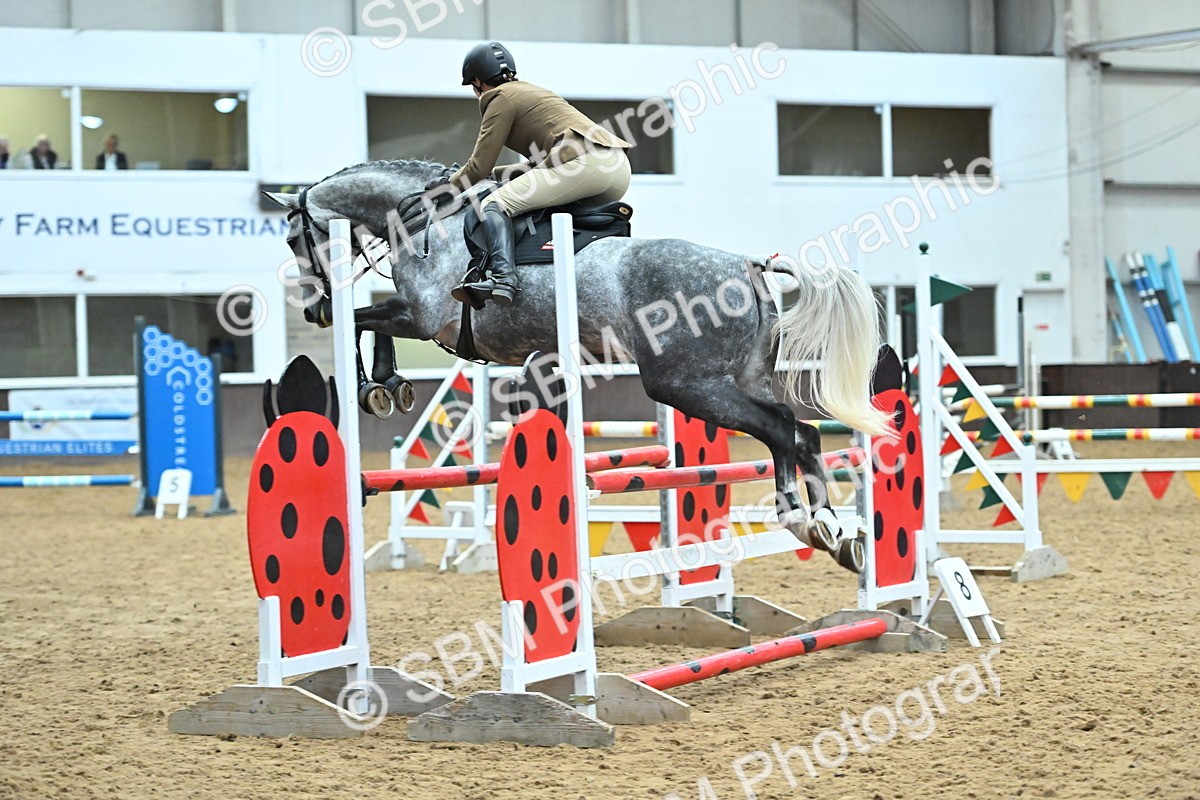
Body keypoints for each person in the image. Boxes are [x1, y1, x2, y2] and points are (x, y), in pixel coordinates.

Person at [428, 41, 632, 306]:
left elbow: (478, 166)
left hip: (584, 164)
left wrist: (447, 187)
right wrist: (494, 176)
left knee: (493, 205)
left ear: (478, 82)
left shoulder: (499, 98)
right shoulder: (532, 92)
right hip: (615, 169)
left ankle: (503, 279)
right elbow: (535, 169)